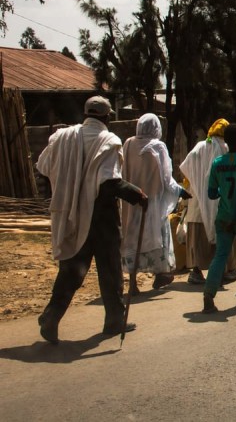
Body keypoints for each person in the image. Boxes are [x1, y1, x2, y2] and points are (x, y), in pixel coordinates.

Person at [36, 96, 148, 344]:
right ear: (107, 117)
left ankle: (51, 318)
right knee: (109, 269)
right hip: (102, 216)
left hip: (71, 213)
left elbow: (42, 166)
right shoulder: (108, 140)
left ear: (86, 114)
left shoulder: (62, 137)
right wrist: (136, 193)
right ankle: (114, 320)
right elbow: (109, 183)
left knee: (72, 270)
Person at [121, 114, 190, 295]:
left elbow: (122, 172)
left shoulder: (128, 144)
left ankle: (133, 283)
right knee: (157, 237)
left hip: (131, 202)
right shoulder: (158, 147)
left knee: (133, 239)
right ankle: (161, 274)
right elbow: (167, 180)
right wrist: (181, 191)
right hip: (153, 204)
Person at [202, 124, 236, 313]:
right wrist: (235, 215)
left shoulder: (217, 163)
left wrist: (222, 193)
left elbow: (211, 194)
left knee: (220, 255)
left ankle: (209, 295)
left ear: (225, 141)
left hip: (223, 215)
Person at [179, 119, 236, 285]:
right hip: (221, 201)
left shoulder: (199, 147)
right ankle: (228, 269)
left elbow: (185, 167)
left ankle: (196, 272)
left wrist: (197, 184)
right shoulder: (227, 148)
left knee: (198, 240)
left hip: (198, 202)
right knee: (223, 235)